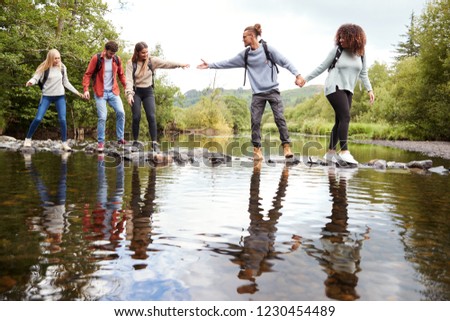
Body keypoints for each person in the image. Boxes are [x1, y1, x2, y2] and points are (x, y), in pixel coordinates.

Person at [197, 23, 305, 161]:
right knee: (255, 121)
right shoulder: (245, 55)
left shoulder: (268, 49)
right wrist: (210, 65)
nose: (242, 40)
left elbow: (285, 61)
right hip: (257, 94)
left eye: (244, 37)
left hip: (273, 91)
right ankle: (257, 150)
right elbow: (228, 62)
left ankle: (286, 147)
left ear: (252, 36)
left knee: (280, 119)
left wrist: (298, 75)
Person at [300, 23, 375, 165]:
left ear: (353, 38)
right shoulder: (337, 51)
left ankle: (330, 152)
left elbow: (364, 73)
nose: (340, 40)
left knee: (340, 120)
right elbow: (322, 67)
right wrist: (305, 79)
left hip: (348, 89)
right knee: (346, 116)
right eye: (339, 37)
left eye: (343, 38)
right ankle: (344, 151)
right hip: (333, 87)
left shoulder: (361, 53)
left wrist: (369, 90)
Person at [125, 42, 190, 152]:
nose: (145, 54)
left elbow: (166, 63)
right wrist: (129, 94)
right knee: (136, 116)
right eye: (143, 53)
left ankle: (154, 143)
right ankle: (135, 142)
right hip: (136, 92)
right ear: (137, 52)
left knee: (151, 116)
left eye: (147, 52)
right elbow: (129, 80)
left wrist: (180, 64)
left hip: (148, 91)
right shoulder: (131, 63)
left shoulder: (152, 61)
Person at [24, 49, 83, 151]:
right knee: (38, 118)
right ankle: (28, 139)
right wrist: (30, 82)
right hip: (47, 96)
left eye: (59, 58)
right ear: (51, 58)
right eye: (55, 58)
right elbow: (35, 78)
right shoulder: (44, 67)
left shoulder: (63, 67)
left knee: (63, 119)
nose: (58, 60)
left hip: (60, 96)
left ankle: (64, 143)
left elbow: (66, 83)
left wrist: (77, 93)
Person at [82, 41, 127, 152]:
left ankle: (120, 138)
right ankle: (101, 142)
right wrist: (86, 90)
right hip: (100, 92)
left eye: (114, 53)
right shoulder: (96, 58)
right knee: (102, 116)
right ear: (105, 50)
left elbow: (121, 75)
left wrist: (127, 87)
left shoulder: (117, 59)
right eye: (110, 53)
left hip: (113, 91)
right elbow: (87, 74)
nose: (112, 55)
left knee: (121, 112)